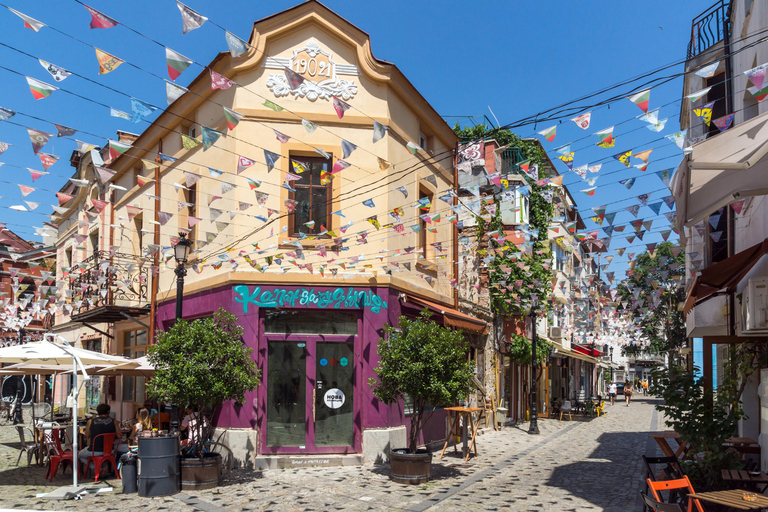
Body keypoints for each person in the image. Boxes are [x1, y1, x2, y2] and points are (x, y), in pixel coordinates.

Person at [78, 403, 121, 472]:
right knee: (113, 452)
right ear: (108, 411)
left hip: (94, 451)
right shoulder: (114, 421)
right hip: (109, 451)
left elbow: (87, 434)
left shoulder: (91, 421)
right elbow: (119, 435)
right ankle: (105, 467)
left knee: (80, 455)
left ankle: (96, 467)